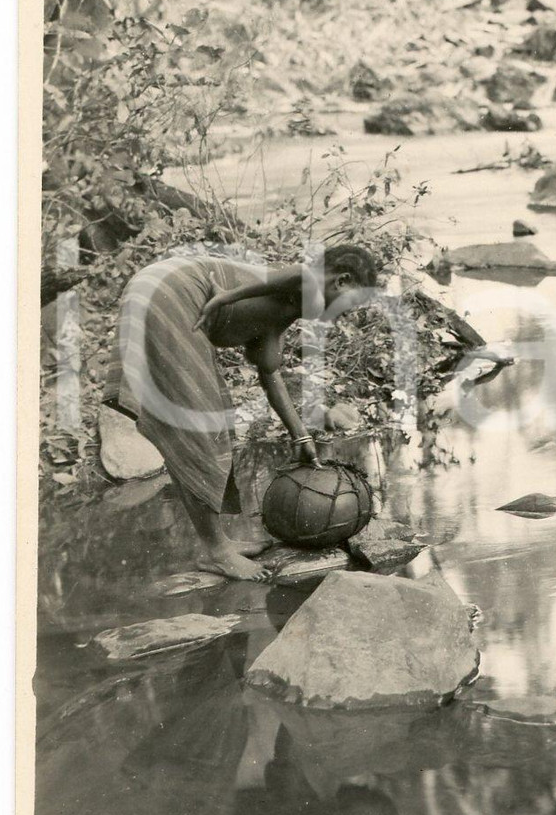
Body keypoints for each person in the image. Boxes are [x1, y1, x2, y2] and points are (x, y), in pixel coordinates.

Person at [103, 243, 378, 580]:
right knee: (203, 423)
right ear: (343, 280)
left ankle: (217, 543)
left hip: (158, 284)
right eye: (351, 303)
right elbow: (286, 278)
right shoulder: (308, 285)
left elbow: (270, 375)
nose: (343, 315)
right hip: (175, 290)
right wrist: (224, 297)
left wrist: (300, 435)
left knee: (196, 425)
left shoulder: (281, 313)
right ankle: (216, 552)